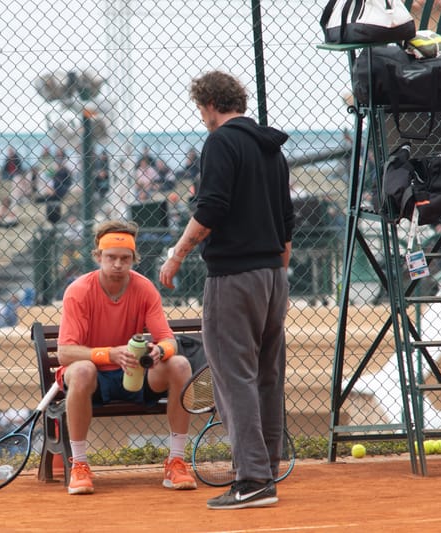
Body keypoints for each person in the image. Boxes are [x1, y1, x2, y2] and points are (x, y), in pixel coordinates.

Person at [159, 71, 293, 510]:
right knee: (267, 375)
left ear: (210, 104)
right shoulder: (270, 147)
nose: (201, 117)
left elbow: (211, 207)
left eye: (201, 108)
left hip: (234, 276)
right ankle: (266, 468)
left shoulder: (221, 142)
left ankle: (252, 479)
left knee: (233, 375)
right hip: (274, 274)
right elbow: (287, 221)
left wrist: (177, 253)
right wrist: (276, 270)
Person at [57, 219, 196, 495]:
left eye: (125, 258)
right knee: (82, 369)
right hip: (92, 380)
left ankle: (177, 461)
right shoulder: (78, 291)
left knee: (179, 363)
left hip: (136, 375)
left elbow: (168, 340)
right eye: (111, 257)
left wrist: (160, 351)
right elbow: (64, 352)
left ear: (134, 259)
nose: (118, 264)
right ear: (98, 257)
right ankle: (79, 466)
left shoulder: (144, 289)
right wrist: (109, 353)